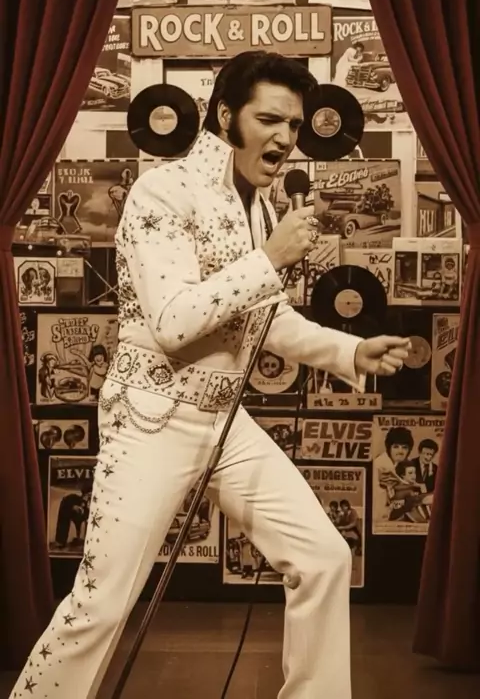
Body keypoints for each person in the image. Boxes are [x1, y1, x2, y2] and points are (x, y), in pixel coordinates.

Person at [10, 51, 411, 699]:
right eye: (269, 120)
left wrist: (349, 351)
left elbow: (263, 320)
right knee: (101, 604)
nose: (285, 137)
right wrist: (268, 259)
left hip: (225, 422)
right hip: (151, 418)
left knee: (324, 557)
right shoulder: (162, 192)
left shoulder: (260, 208)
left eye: (293, 124)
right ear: (226, 115)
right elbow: (173, 321)